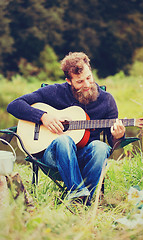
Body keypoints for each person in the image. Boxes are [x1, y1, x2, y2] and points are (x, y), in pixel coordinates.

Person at [7, 52, 125, 204]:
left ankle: (82, 200)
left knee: (101, 147)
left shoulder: (106, 100)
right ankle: (77, 194)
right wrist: (43, 117)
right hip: (53, 155)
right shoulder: (55, 92)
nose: (87, 85)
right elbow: (14, 105)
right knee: (64, 140)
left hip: (85, 157)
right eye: (80, 81)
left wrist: (117, 136)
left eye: (89, 78)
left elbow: (113, 144)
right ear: (69, 81)